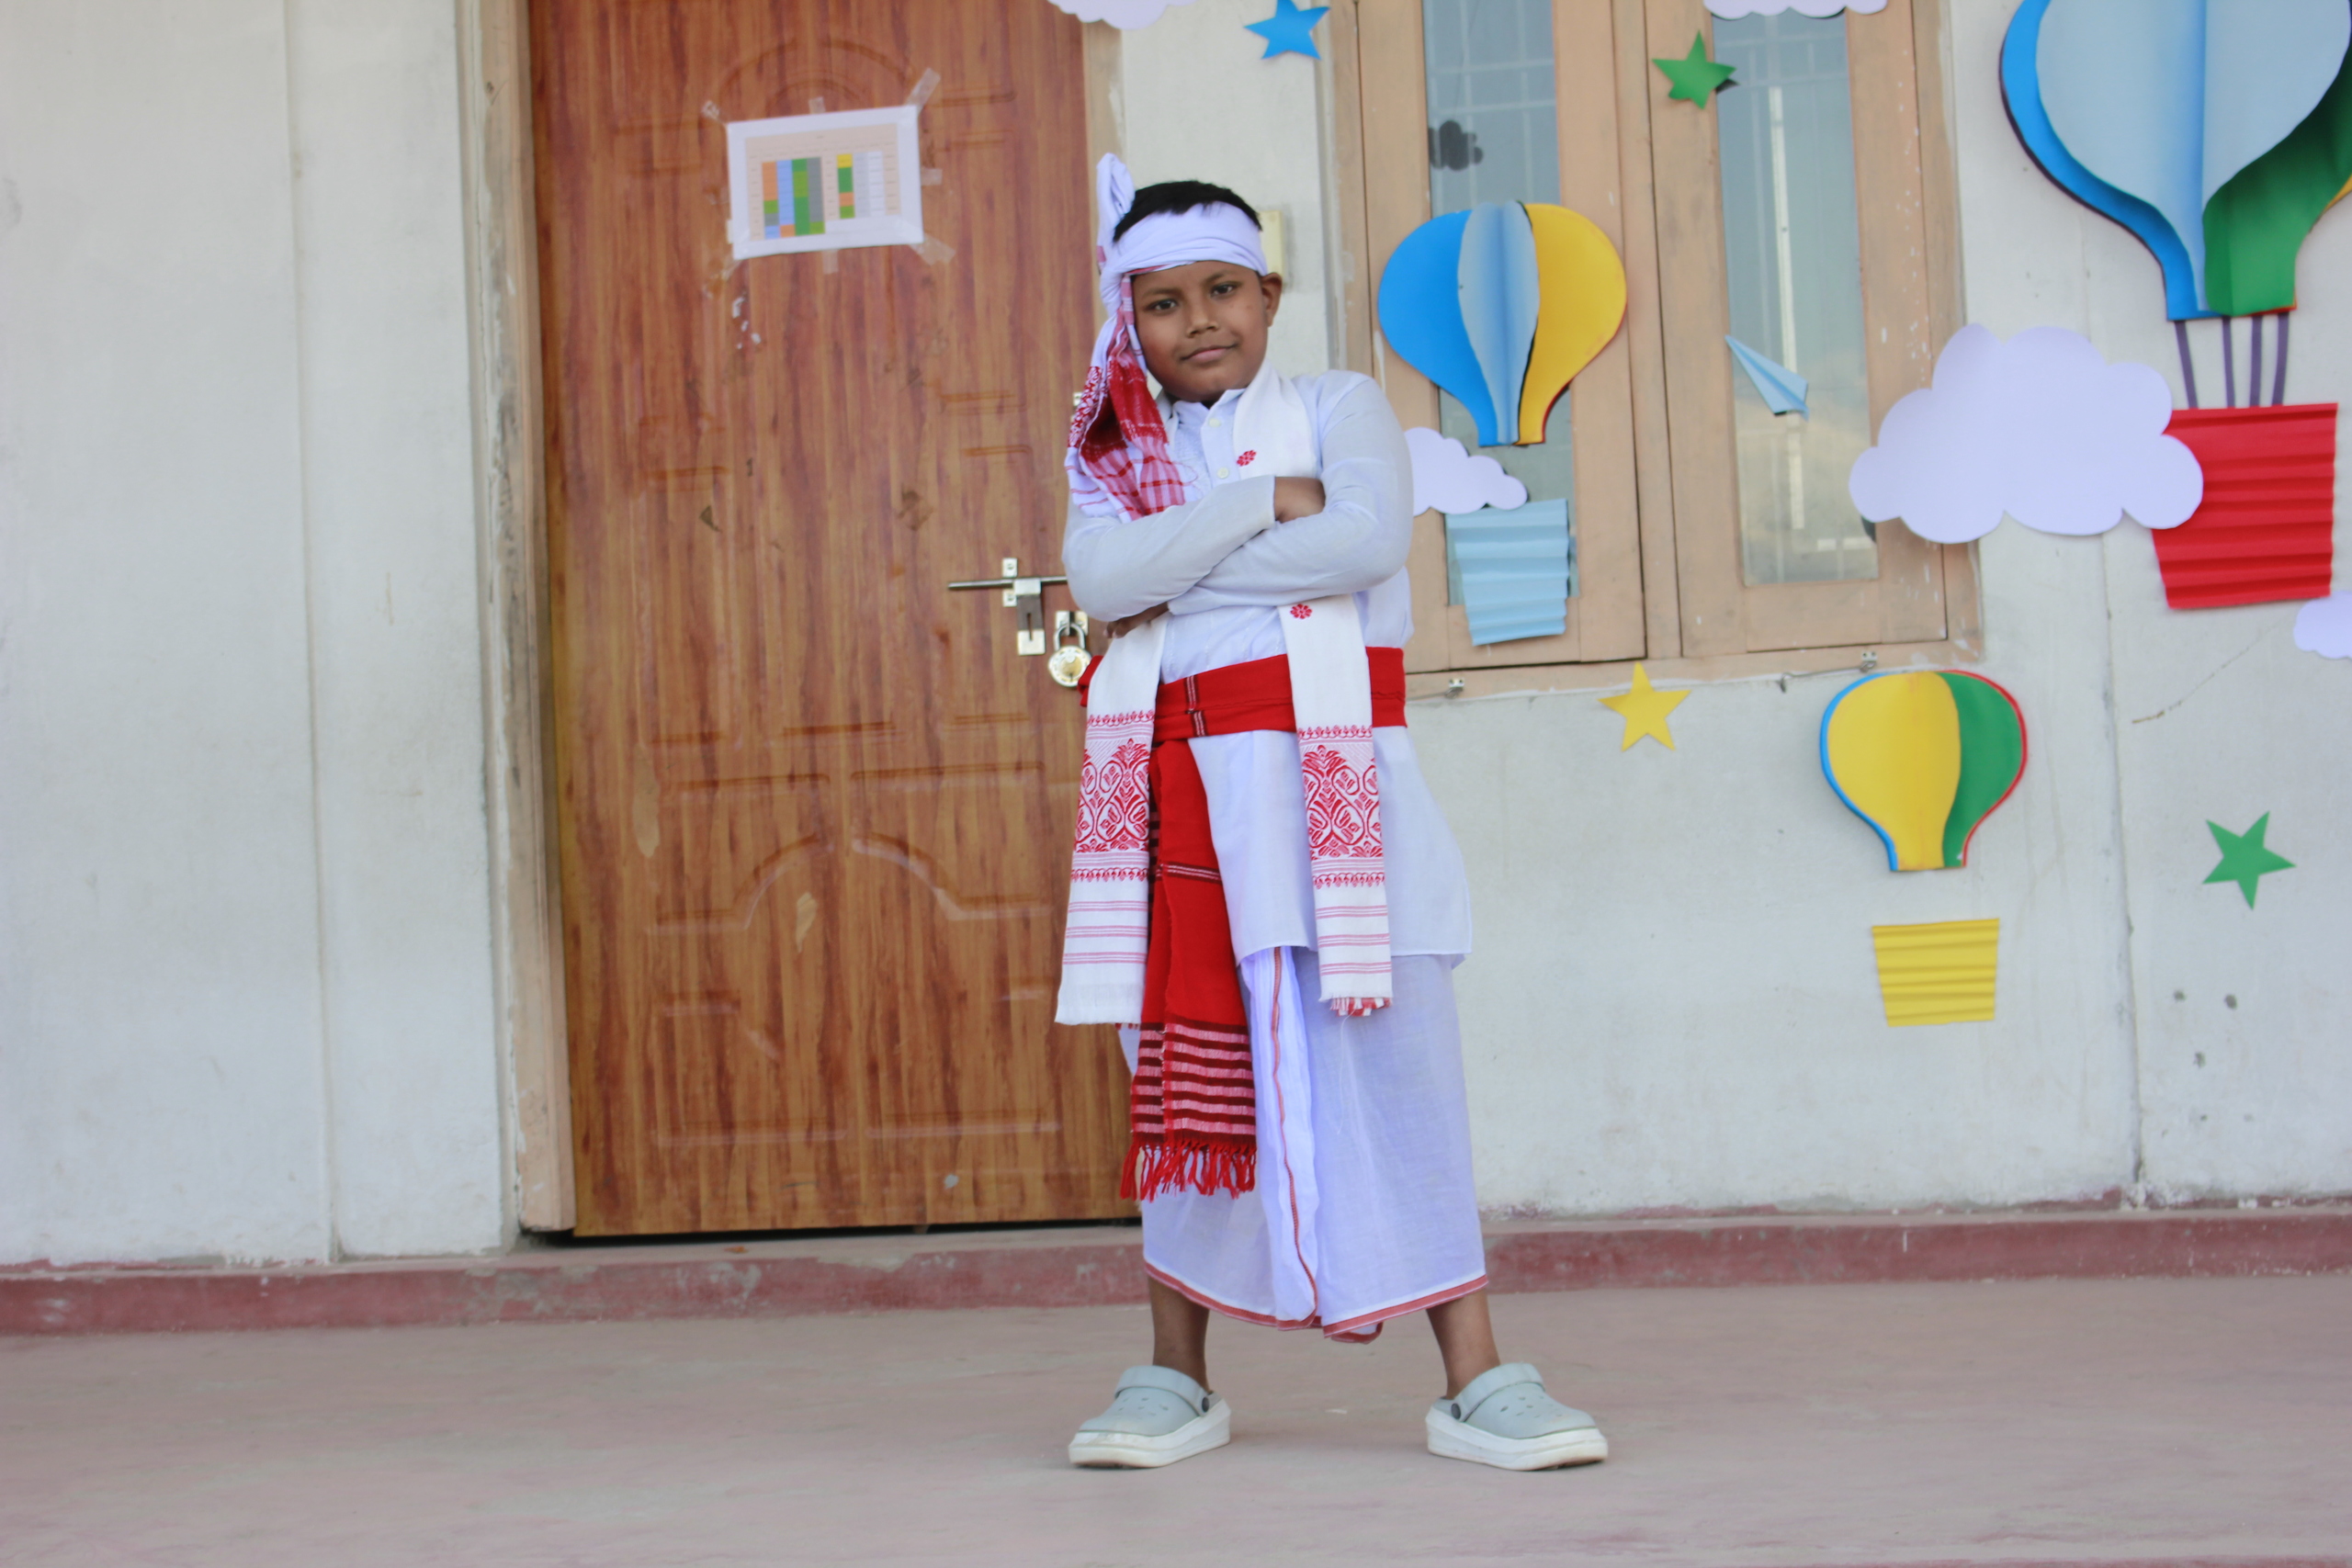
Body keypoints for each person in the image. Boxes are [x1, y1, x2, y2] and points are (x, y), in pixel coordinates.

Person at [1053, 156, 1608, 1473]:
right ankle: (1174, 1377)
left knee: (1398, 1067)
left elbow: (1362, 546)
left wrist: (1167, 571)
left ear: (1269, 293)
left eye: (1223, 290)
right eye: (1164, 301)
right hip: (1179, 817)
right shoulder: (1113, 448)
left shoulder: (1338, 403)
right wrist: (1256, 505)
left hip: (1336, 794)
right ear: (1130, 319)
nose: (1199, 321)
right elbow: (1097, 580)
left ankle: (1478, 1379)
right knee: (1187, 1086)